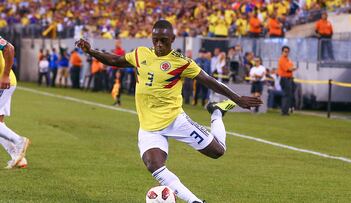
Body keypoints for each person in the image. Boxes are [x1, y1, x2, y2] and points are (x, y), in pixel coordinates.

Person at [75, 20, 262, 203]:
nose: (158, 44)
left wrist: (237, 99)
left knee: (218, 151)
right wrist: (91, 51)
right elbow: (115, 60)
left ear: (172, 39)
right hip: (149, 127)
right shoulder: (141, 54)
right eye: (155, 39)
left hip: (175, 121)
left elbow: (209, 80)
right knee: (154, 165)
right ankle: (195, 201)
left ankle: (216, 112)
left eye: (163, 40)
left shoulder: (182, 63)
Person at [0, 36, 30, 169]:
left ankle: (19, 141)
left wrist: (5, 74)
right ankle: (18, 157)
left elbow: (9, 48)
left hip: (4, 82)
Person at [277, 46, 297, 116]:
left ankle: (286, 110)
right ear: (282, 52)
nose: (286, 53)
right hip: (284, 78)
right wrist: (292, 68)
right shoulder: (282, 59)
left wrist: (292, 68)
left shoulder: (288, 59)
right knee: (286, 95)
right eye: (285, 51)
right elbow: (288, 69)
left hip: (289, 78)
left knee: (289, 95)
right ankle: (284, 111)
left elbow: (293, 67)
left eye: (287, 51)